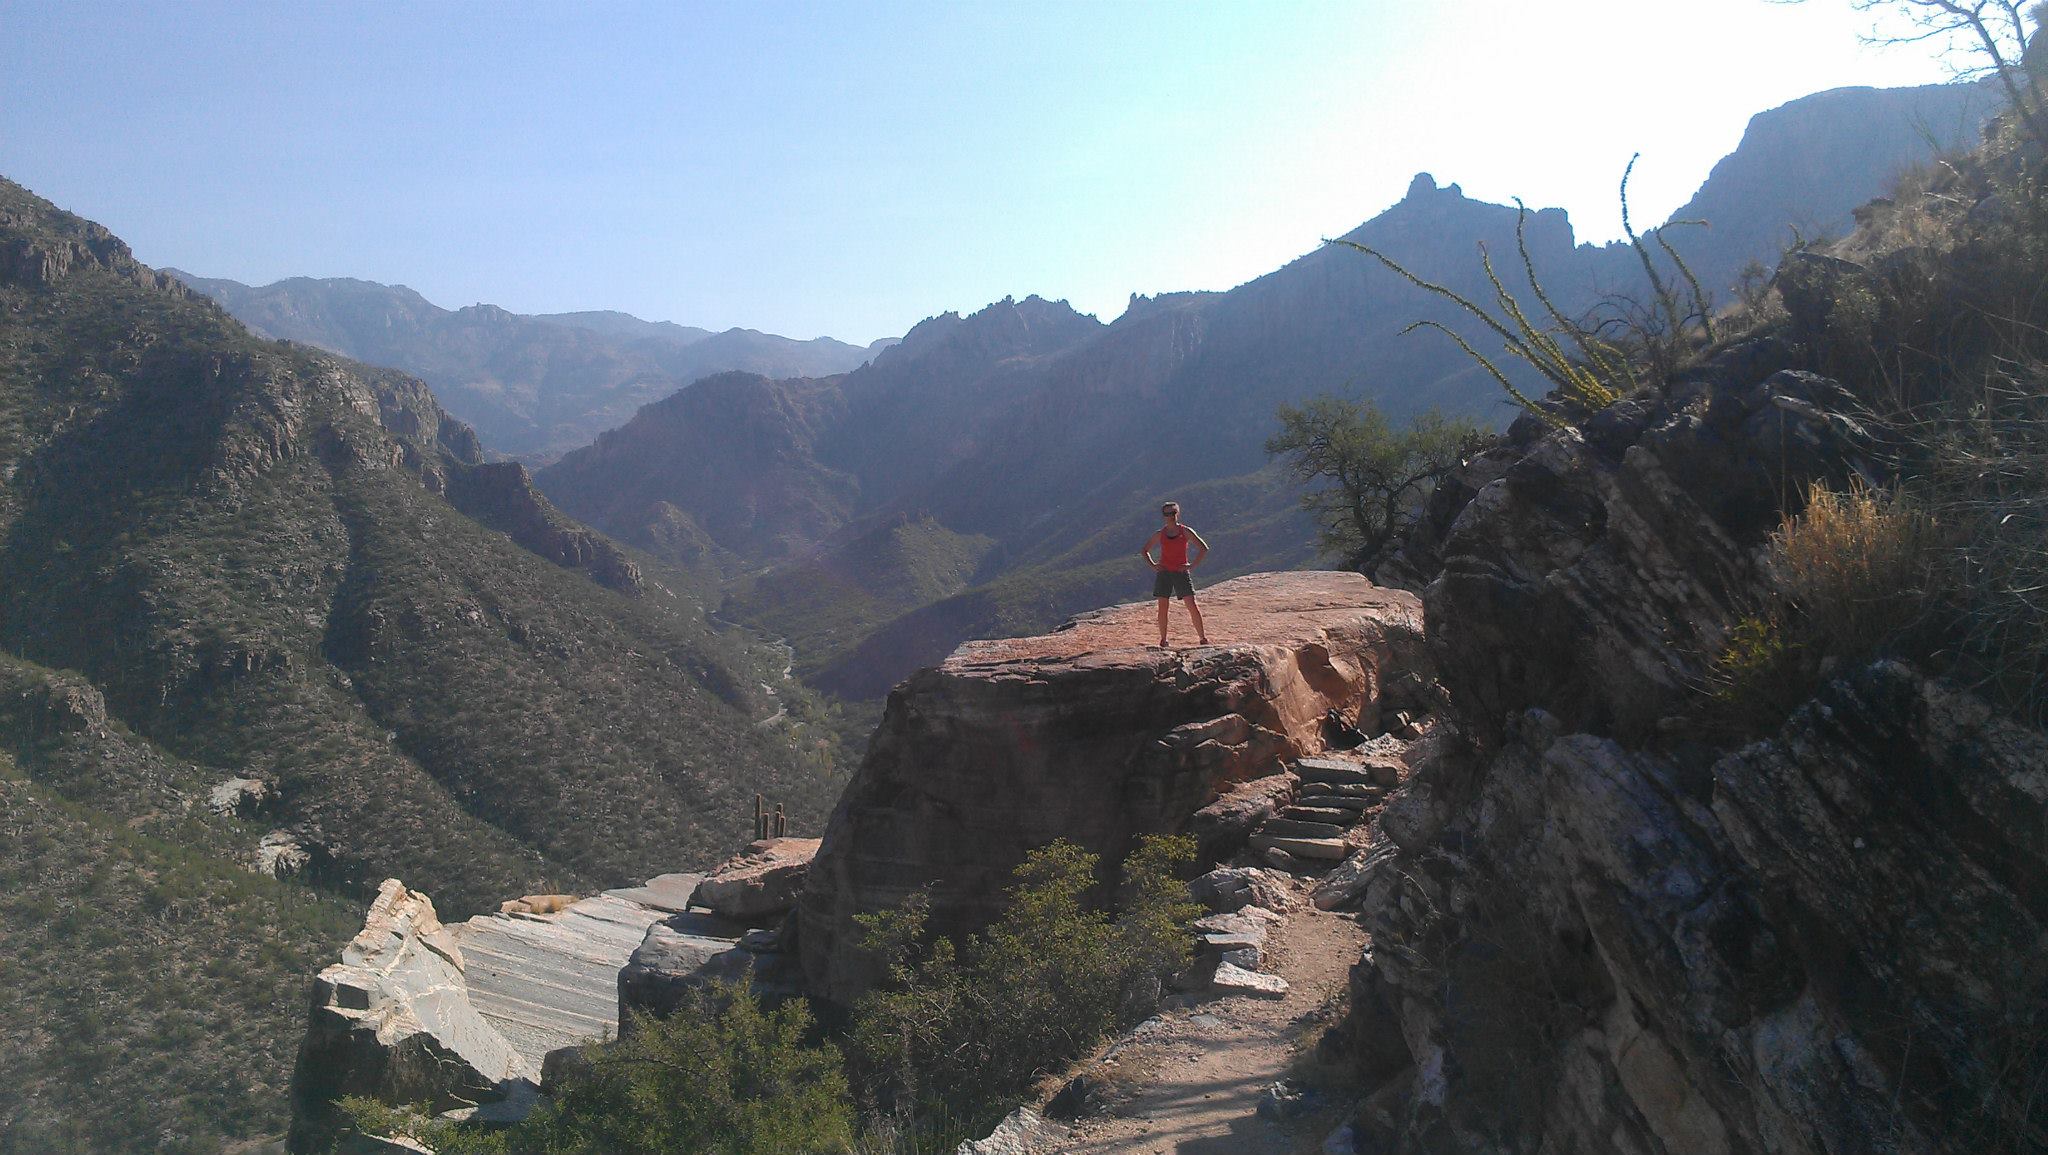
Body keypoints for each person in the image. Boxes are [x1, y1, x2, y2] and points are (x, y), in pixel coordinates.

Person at [1141, 501, 1209, 647]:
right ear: (1163, 516)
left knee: (1192, 605)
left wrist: (1192, 565)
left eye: (1172, 513)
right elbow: (1144, 550)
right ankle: (1163, 639)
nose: (1170, 516)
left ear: (1177, 513)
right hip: (1165, 572)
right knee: (1163, 607)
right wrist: (1153, 565)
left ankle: (1203, 638)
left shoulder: (1185, 531)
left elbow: (1203, 548)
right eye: (1167, 514)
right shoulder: (1160, 534)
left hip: (1180, 572)